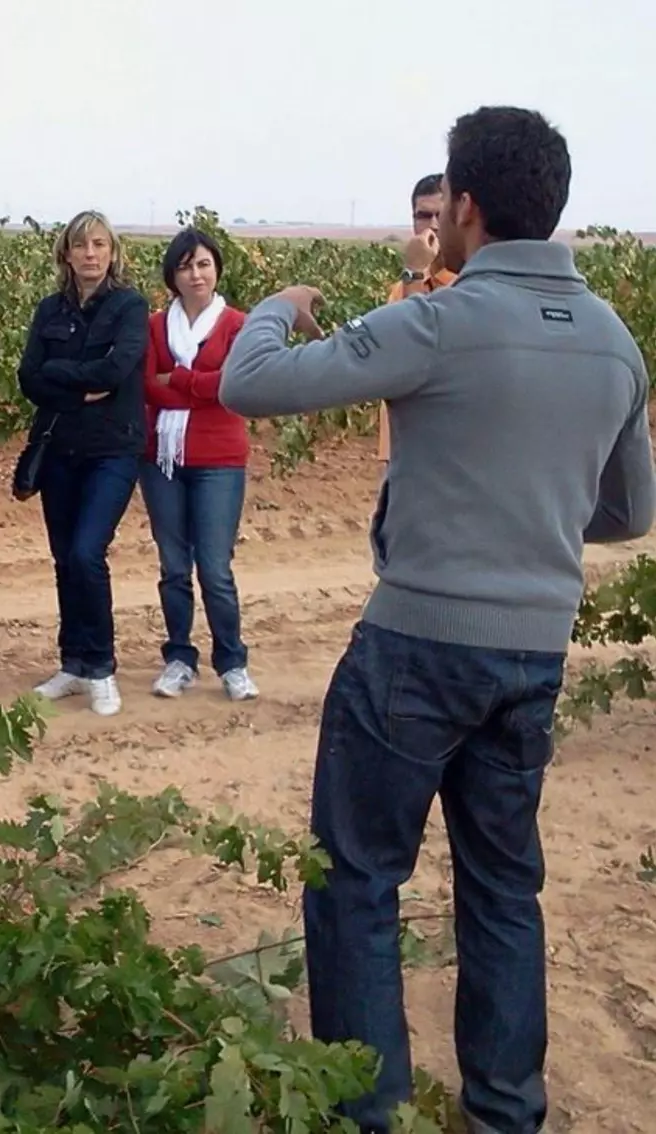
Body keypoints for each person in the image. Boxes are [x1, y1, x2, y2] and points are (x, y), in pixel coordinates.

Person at [219, 105, 656, 1134]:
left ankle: (366, 1110)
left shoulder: (439, 319)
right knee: (504, 890)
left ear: (464, 208)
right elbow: (630, 513)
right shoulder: (613, 341)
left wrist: (278, 306)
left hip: (414, 650)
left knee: (360, 879)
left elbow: (249, 382)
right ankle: (506, 1112)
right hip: (532, 658)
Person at [18, 210, 148, 717]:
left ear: (112, 252)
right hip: (59, 450)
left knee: (87, 553)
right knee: (63, 557)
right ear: (66, 254)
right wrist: (77, 387)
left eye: (99, 244)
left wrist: (58, 374)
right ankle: (72, 663)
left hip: (113, 449)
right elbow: (30, 377)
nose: (90, 253)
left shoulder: (129, 306)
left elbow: (117, 370)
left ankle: (101, 667)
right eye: (80, 245)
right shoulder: (50, 310)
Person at [139, 227, 257, 702]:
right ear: (173, 275)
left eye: (204, 264)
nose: (196, 274)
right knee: (172, 565)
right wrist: (202, 384)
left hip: (219, 459)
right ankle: (179, 659)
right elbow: (148, 386)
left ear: (217, 270)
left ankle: (232, 661)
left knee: (214, 567)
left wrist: (182, 379)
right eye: (186, 265)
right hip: (161, 459)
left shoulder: (237, 324)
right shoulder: (152, 326)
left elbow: (233, 386)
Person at [378, 173, 457, 465]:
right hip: (399, 452)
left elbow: (419, 351)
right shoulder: (401, 289)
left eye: (440, 214)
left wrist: (414, 273)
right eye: (423, 216)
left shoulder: (469, 287)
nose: (432, 226)